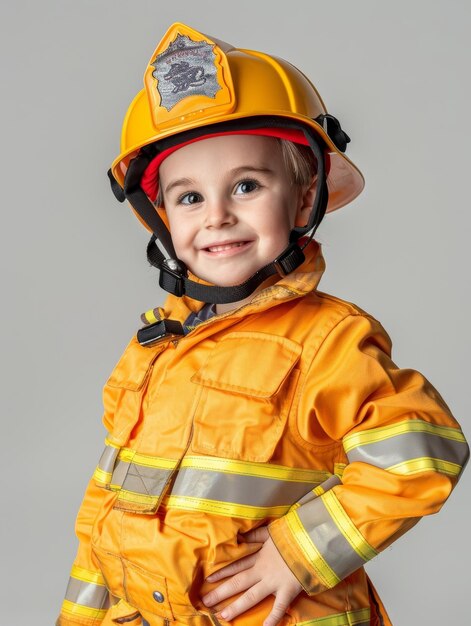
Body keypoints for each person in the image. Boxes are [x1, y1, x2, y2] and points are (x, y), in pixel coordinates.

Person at [56, 22, 469, 626]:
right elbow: (107, 514)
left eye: (246, 185)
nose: (217, 216)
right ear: (161, 216)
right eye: (189, 197)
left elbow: (422, 454)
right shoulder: (152, 351)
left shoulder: (328, 341)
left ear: (304, 199)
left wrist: (300, 552)